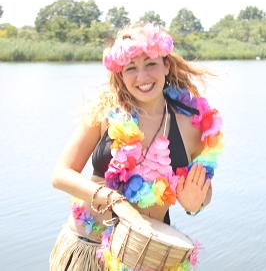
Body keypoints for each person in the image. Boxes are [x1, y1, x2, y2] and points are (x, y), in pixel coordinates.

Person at [49, 23, 223, 271]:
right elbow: (60, 174)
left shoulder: (192, 125)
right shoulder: (104, 112)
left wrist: (196, 204)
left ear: (166, 65)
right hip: (88, 249)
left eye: (150, 64)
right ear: (120, 74)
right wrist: (114, 200)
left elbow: (202, 193)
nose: (142, 77)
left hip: (146, 259)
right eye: (131, 68)